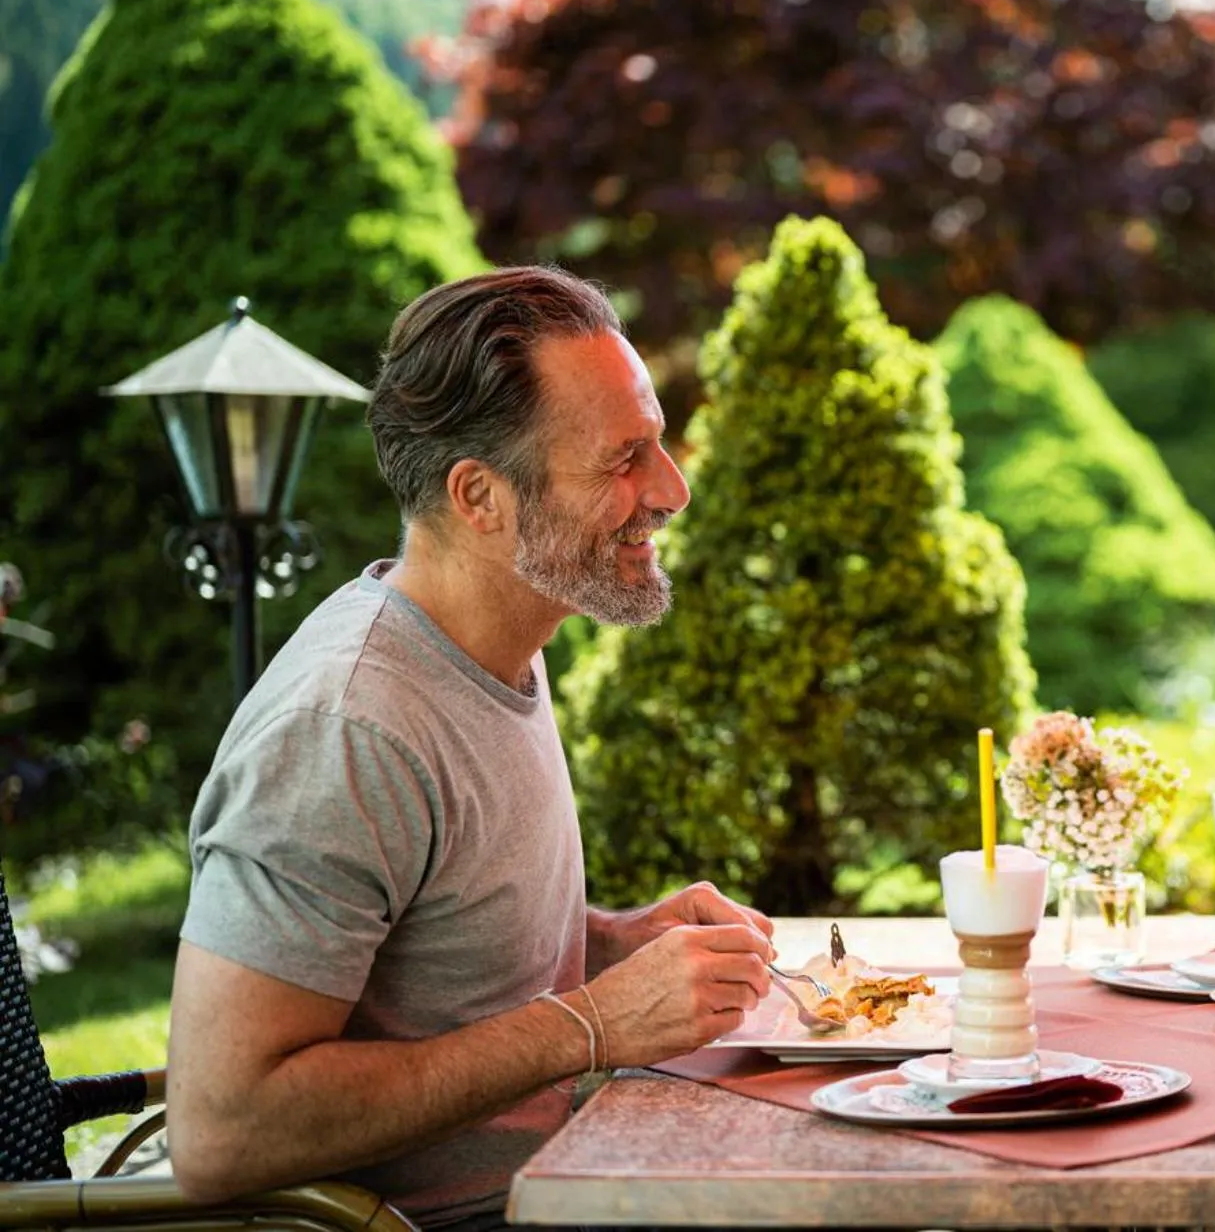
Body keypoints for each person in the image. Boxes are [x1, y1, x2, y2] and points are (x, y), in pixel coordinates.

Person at [167, 266, 775, 1227]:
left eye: (657, 445)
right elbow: (222, 1131)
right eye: (624, 460)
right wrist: (593, 1023)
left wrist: (609, 945)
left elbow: (427, 948)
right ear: (480, 496)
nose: (673, 490)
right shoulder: (348, 730)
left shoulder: (499, 646)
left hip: (582, 1179)